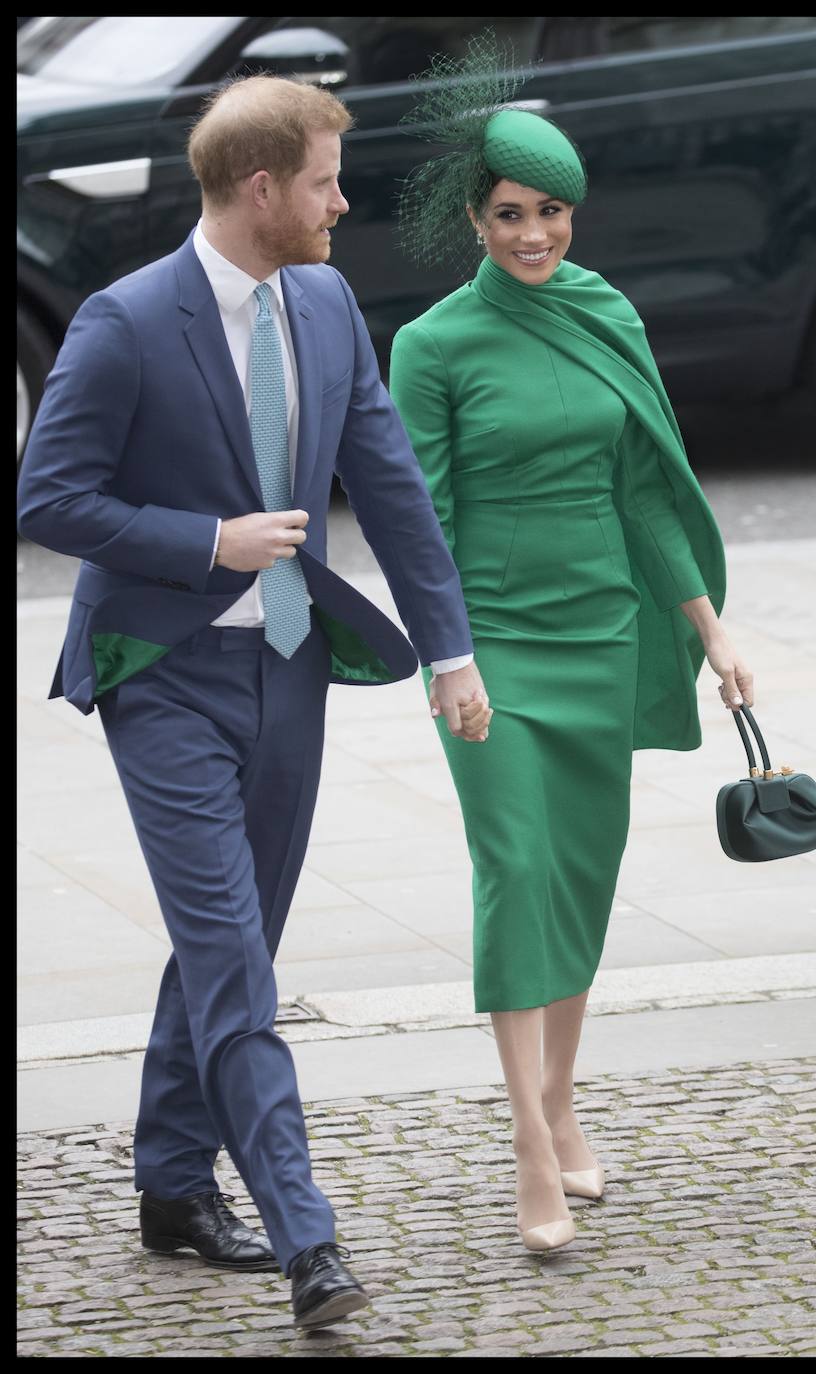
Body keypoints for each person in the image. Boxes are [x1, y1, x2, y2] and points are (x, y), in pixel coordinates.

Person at [16, 74, 493, 1329]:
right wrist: (205, 538)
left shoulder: (326, 300)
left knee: (233, 941)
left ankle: (173, 1186)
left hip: (290, 672)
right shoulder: (123, 323)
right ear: (261, 187)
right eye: (329, 179)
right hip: (160, 674)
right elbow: (44, 500)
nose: (345, 200)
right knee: (233, 956)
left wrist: (450, 652)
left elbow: (387, 482)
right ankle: (308, 1242)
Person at [389, 46, 753, 1253]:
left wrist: (709, 632)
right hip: (492, 654)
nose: (533, 235)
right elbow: (421, 517)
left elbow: (647, 493)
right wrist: (449, 659)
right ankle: (529, 1147)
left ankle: (560, 1097)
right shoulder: (433, 346)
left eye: (549, 213)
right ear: (471, 219)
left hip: (601, 636)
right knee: (515, 875)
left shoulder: (603, 310)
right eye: (508, 215)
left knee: (582, 880)